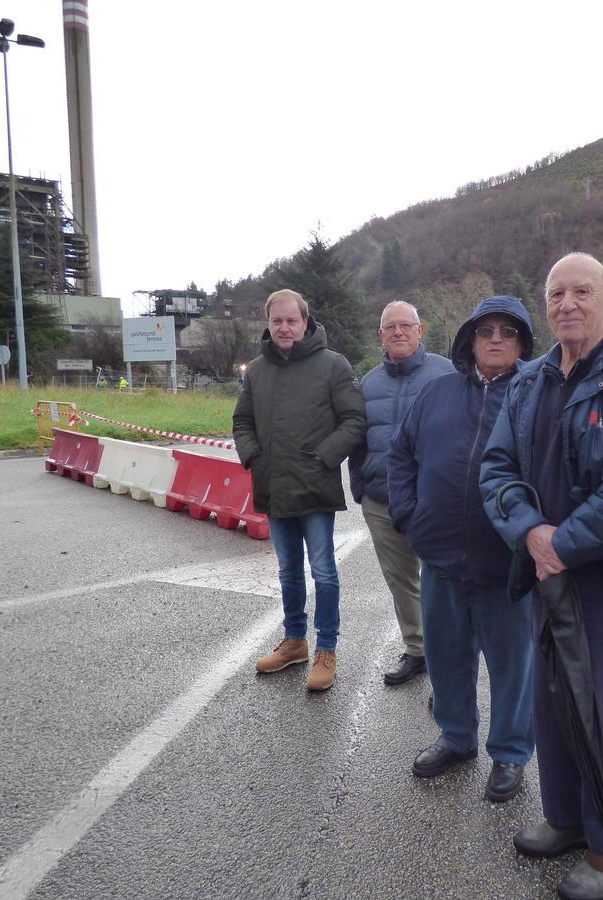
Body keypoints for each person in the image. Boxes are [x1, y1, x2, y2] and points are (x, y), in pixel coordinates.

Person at [480, 253, 603, 899]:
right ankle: (567, 818)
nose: (567, 303)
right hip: (546, 570)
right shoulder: (530, 380)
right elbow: (497, 470)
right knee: (555, 701)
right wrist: (530, 533)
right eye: (556, 293)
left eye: (581, 291)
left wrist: (562, 543)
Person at [389, 295, 536, 803]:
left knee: (513, 665)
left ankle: (511, 754)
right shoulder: (437, 394)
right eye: (485, 330)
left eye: (508, 332)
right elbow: (401, 456)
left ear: (523, 342)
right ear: (468, 339)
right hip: (442, 559)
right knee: (447, 657)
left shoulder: (535, 395)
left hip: (508, 565)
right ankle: (456, 738)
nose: (496, 339)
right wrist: (411, 517)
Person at [233, 289, 366, 692]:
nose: (285, 327)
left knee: (324, 571)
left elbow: (355, 420)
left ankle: (326, 649)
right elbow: (242, 423)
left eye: (292, 320)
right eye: (278, 321)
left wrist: (324, 458)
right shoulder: (256, 370)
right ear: (269, 324)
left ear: (306, 322)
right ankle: (295, 642)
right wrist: (255, 457)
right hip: (273, 486)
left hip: (315, 488)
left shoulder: (332, 365)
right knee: (288, 571)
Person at [349, 300, 454, 686]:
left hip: (432, 500)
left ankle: (447, 663)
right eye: (389, 327)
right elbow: (358, 439)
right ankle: (417, 650)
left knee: (442, 583)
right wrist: (360, 487)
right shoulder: (369, 382)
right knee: (401, 580)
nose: (398, 332)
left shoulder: (446, 373)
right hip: (381, 500)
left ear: (419, 329)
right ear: (381, 335)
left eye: (405, 325)